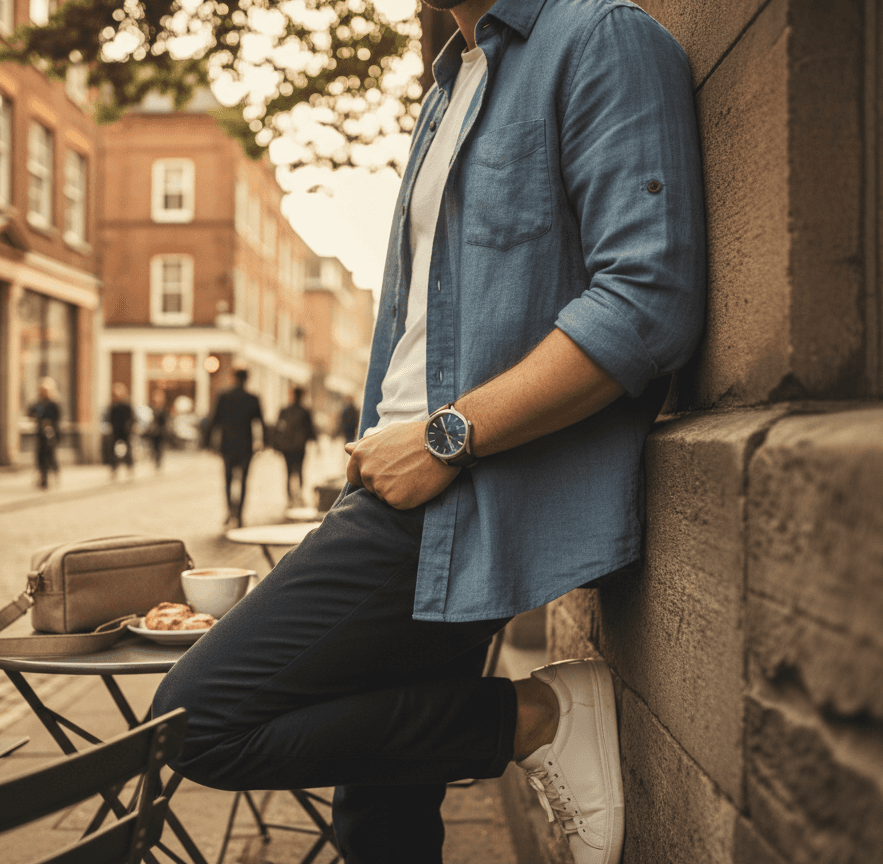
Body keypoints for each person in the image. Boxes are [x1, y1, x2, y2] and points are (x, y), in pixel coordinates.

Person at [154, 1, 705, 862]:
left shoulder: (600, 39)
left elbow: (648, 300)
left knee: (196, 722)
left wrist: (446, 437)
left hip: (454, 490)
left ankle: (538, 716)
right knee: (379, 822)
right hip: (400, 483)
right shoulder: (449, 87)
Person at [205, 369, 264, 527]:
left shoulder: (224, 397)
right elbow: (261, 422)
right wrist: (264, 443)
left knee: (228, 480)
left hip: (227, 446)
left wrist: (208, 443)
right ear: (247, 379)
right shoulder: (253, 399)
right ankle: (240, 515)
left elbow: (213, 421)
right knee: (244, 481)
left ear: (234, 378)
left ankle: (230, 512)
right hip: (246, 446)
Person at [272, 386, 317, 507]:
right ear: (302, 396)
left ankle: (290, 497)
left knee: (288, 471)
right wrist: (314, 442)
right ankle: (299, 494)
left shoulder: (285, 410)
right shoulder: (305, 411)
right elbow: (310, 430)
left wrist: (276, 445)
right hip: (299, 447)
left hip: (287, 447)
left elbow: (278, 428)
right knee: (300, 470)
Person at [28, 377, 61, 490]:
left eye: (46, 391)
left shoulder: (54, 404)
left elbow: (57, 418)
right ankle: (43, 478)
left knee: (50, 456)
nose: (43, 393)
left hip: (52, 434)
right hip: (41, 434)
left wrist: (50, 425)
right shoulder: (38, 403)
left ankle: (52, 476)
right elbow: (30, 412)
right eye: (42, 390)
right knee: (40, 456)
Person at [106, 382, 135, 478]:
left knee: (128, 450)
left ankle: (129, 467)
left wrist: (130, 428)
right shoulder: (113, 407)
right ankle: (114, 468)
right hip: (115, 431)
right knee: (112, 450)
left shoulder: (127, 406)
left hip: (125, 432)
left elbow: (132, 418)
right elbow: (109, 418)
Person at [143, 390, 170, 469]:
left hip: (161, 432)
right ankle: (155, 459)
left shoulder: (164, 409)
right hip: (153, 431)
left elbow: (166, 421)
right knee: (153, 446)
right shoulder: (152, 408)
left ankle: (158, 461)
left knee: (160, 447)